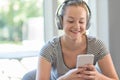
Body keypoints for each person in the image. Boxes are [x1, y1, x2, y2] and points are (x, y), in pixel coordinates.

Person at [36, 0, 119, 80]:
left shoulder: (97, 45)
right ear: (61, 22)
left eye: (81, 22)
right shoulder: (49, 49)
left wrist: (98, 77)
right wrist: (64, 79)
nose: (76, 26)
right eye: (71, 21)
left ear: (87, 23)